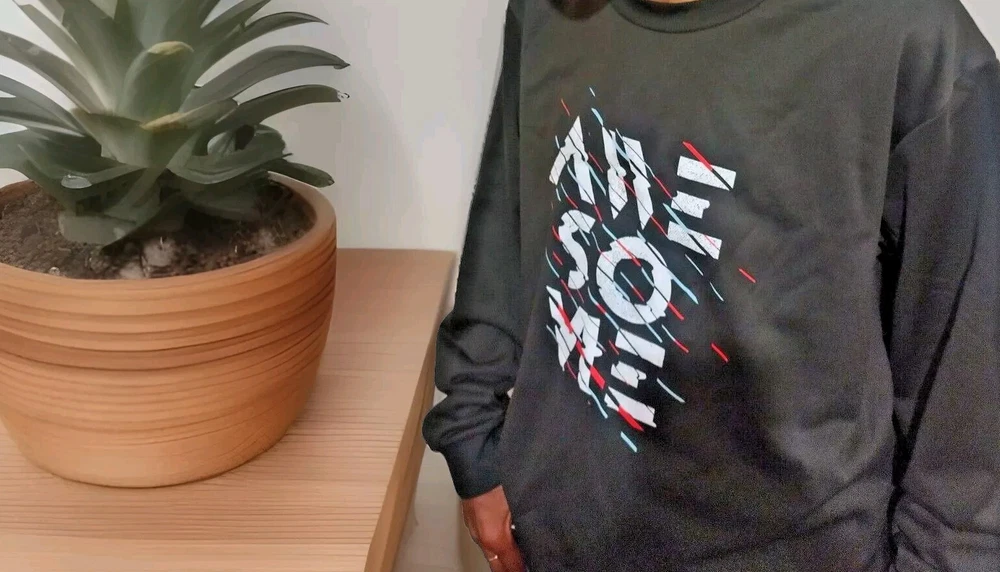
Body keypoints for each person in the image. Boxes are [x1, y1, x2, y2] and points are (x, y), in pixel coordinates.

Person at [422, 0, 1000, 570]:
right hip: (555, 537)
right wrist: (474, 437)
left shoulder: (911, 38)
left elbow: (968, 398)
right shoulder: (545, 10)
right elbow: (508, 217)